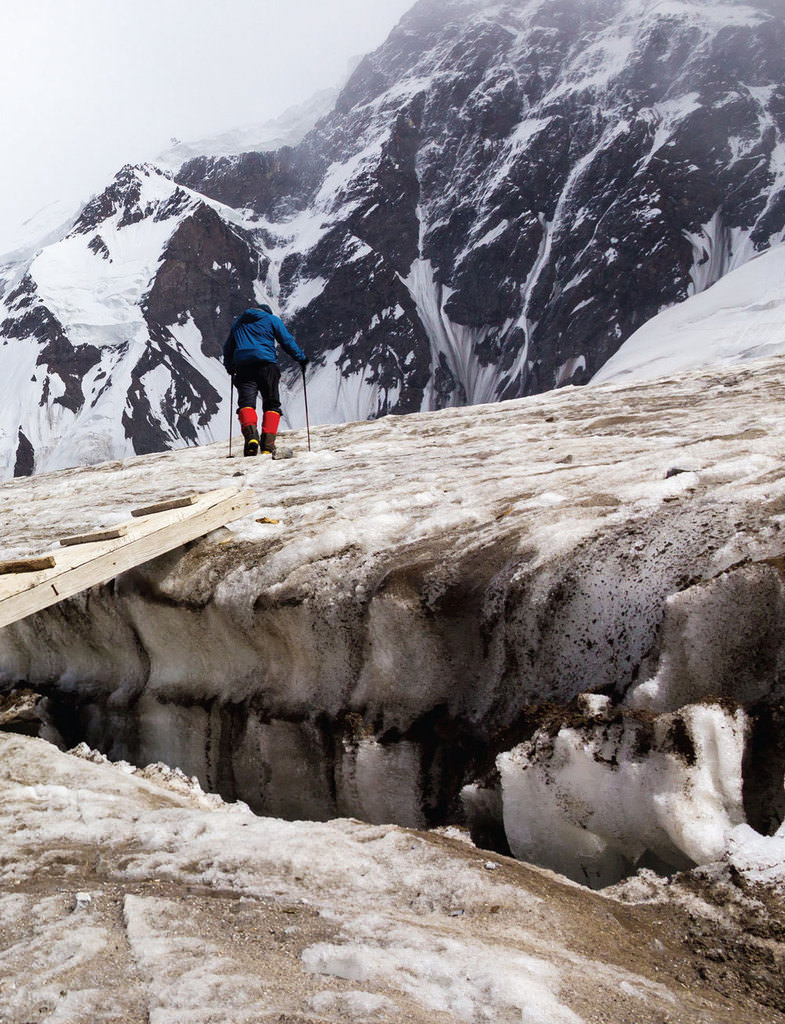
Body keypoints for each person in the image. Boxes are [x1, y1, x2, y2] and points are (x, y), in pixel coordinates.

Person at [223, 305, 308, 457]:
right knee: (271, 404)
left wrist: (230, 367)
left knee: (246, 404)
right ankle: (267, 446)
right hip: (267, 366)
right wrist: (301, 358)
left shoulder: (239, 322)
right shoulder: (272, 320)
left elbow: (228, 348)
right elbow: (286, 341)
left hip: (244, 368)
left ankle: (251, 437)